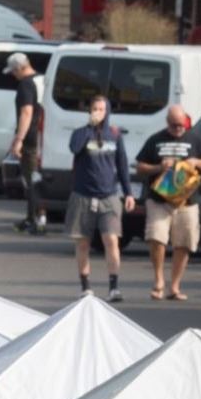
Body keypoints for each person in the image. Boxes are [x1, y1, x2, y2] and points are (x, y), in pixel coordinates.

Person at [133, 105, 201, 303]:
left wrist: (197, 162)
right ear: (167, 123)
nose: (178, 128)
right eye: (174, 125)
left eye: (181, 124)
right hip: (159, 199)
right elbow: (139, 166)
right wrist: (159, 167)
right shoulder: (155, 140)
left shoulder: (194, 139)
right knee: (156, 238)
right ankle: (158, 280)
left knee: (184, 243)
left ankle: (175, 285)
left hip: (187, 201)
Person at [65, 95, 134, 302]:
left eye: (101, 109)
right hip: (83, 195)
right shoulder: (80, 133)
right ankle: (85, 285)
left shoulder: (114, 135)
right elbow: (74, 148)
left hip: (108, 195)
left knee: (111, 239)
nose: (98, 112)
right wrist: (89, 127)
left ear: (108, 112)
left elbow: (122, 164)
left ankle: (114, 286)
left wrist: (128, 192)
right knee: (83, 242)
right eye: (94, 108)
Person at [6, 54, 45, 235]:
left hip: (30, 138)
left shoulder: (26, 85)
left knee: (30, 179)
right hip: (43, 135)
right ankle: (38, 217)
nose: (13, 75)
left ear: (21, 68)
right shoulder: (42, 79)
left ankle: (34, 219)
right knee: (37, 178)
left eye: (13, 71)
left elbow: (26, 112)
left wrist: (19, 139)